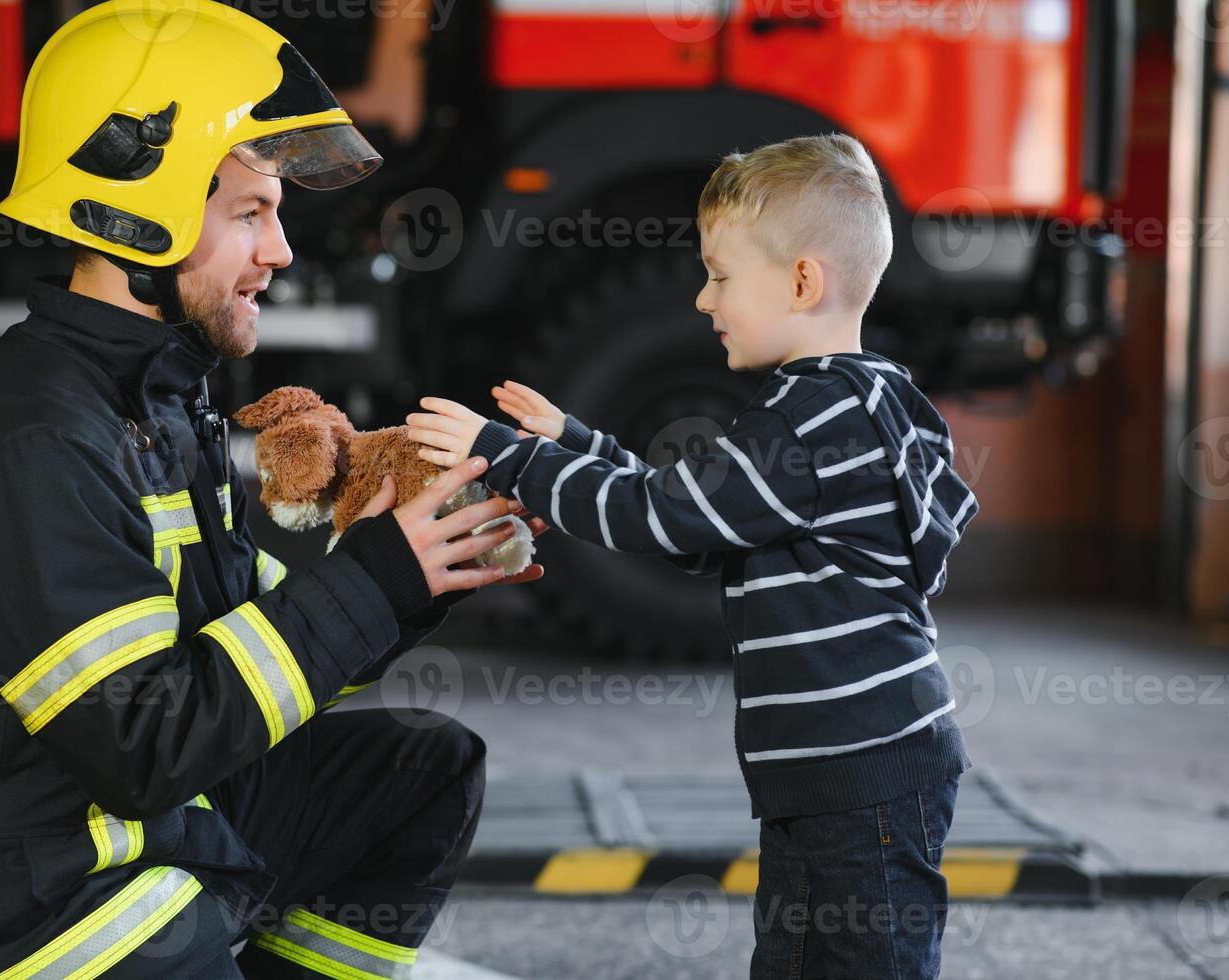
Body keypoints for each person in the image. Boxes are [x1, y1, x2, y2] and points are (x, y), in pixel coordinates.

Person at [0, 2, 546, 976]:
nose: (279, 252)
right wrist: (370, 582)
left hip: (143, 833)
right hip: (43, 912)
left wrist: (410, 574)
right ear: (132, 213)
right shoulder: (37, 437)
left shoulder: (160, 398)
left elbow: (242, 639)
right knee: (173, 913)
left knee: (422, 772)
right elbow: (140, 740)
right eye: (249, 214)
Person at [404, 133, 979, 980]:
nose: (703, 300)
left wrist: (513, 455)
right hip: (834, 774)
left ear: (800, 281)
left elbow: (665, 516)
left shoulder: (809, 422)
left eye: (718, 274)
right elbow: (704, 516)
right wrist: (583, 443)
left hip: (860, 775)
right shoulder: (851, 398)